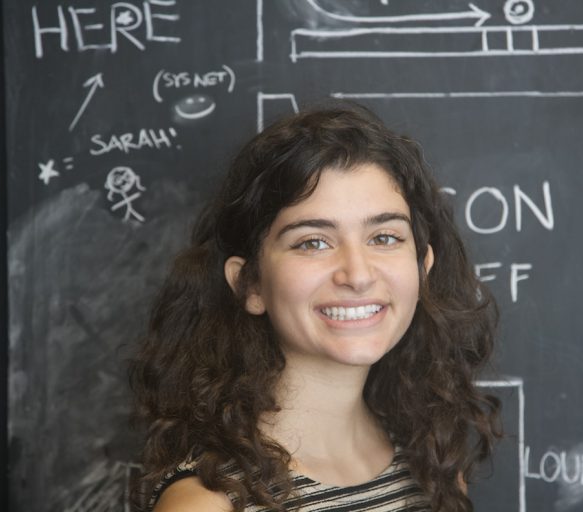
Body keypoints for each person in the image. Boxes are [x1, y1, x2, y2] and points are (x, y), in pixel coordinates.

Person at [129, 102, 501, 512]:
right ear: (250, 284)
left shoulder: (434, 466)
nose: (358, 275)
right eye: (313, 242)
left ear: (422, 268)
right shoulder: (208, 503)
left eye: (384, 237)